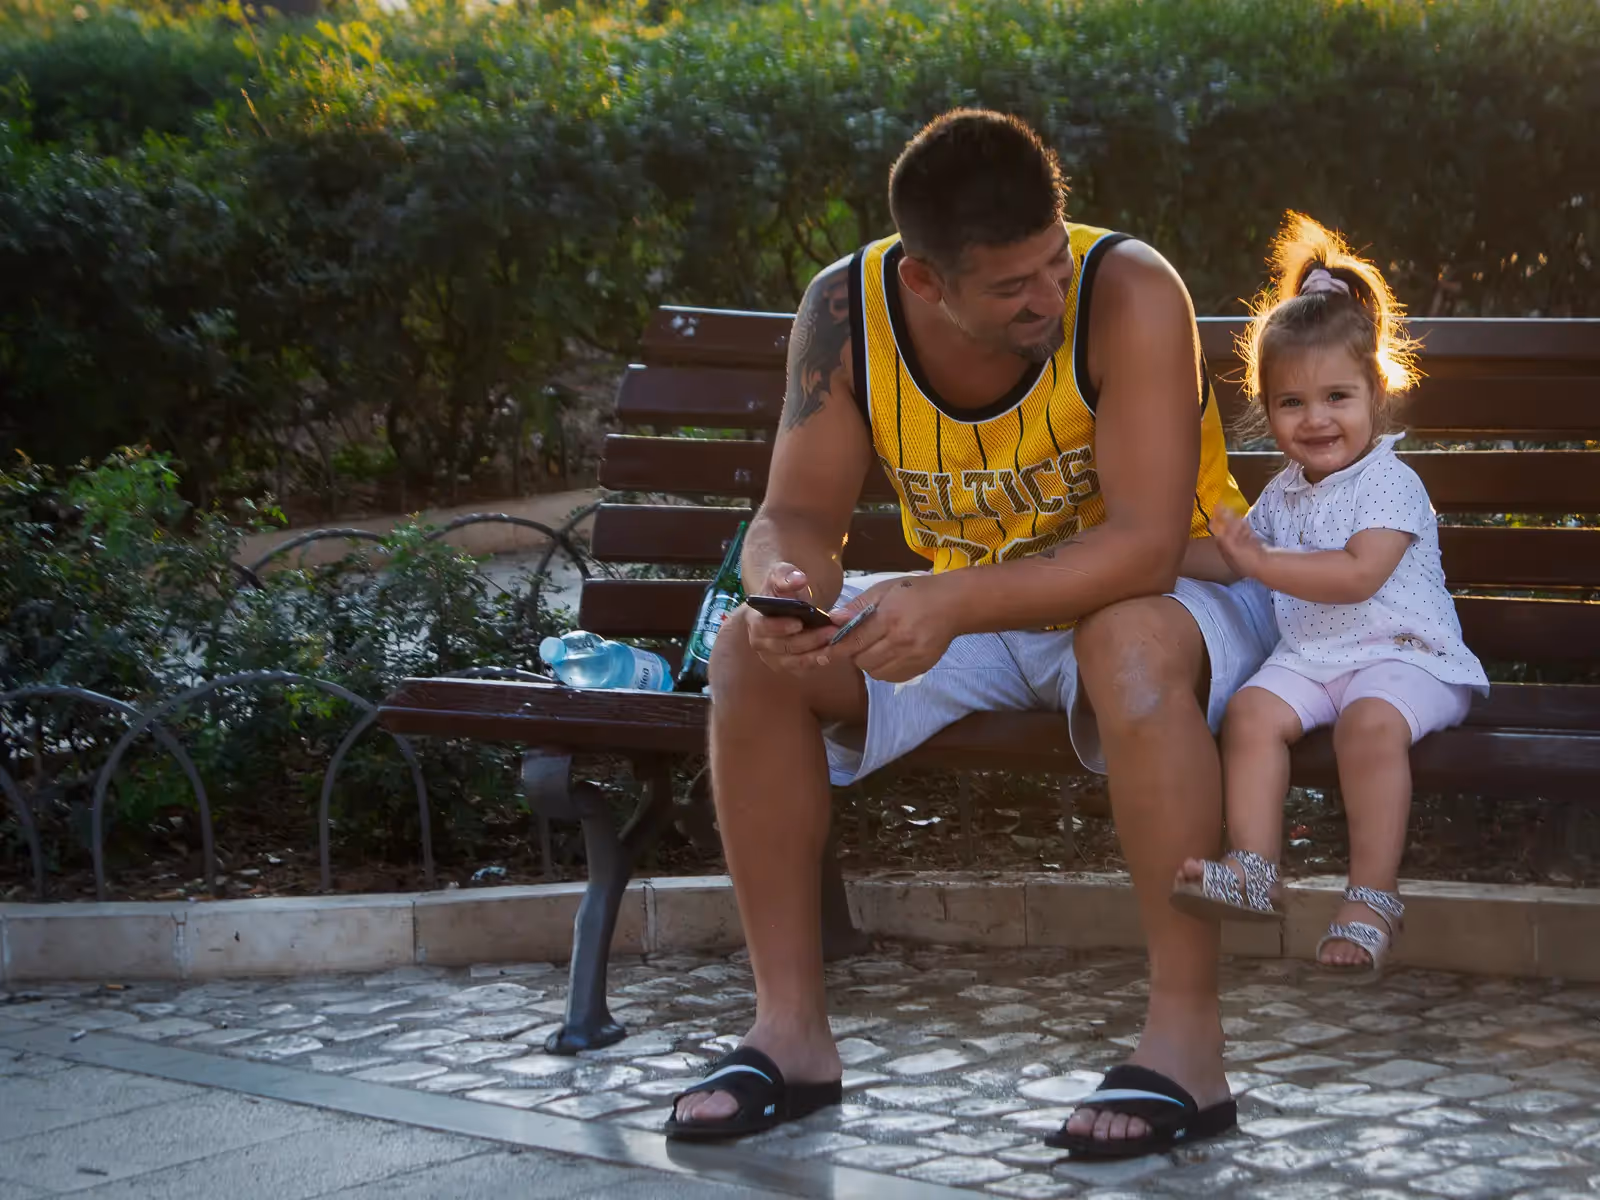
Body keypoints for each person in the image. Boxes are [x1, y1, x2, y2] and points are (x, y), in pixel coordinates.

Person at [664, 109, 1276, 1157]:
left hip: (1175, 597)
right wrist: (781, 586)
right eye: (1012, 285)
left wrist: (948, 604)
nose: (1047, 295)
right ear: (924, 281)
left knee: (1122, 644)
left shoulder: (1127, 291)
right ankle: (790, 1036)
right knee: (745, 657)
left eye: (1053, 260)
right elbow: (796, 515)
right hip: (982, 605)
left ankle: (1185, 1049)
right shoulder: (844, 315)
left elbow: (1138, 549)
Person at [1170, 213, 1489, 972]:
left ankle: (1372, 894)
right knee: (1250, 713)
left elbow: (1356, 575)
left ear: (1376, 392)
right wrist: (1163, 559)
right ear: (1266, 405)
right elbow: (1236, 560)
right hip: (1314, 656)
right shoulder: (1283, 492)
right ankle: (1251, 871)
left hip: (1406, 657)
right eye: (1291, 404)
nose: (1315, 420)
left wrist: (1259, 562)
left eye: (1337, 397)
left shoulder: (1390, 482)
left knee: (1370, 728)